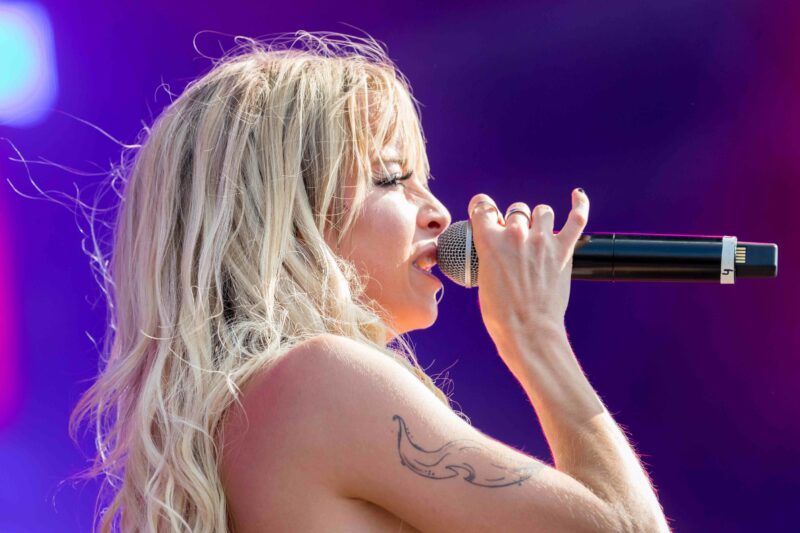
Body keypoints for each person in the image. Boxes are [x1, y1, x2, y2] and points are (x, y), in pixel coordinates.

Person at [69, 32, 670, 532]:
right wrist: (535, 333)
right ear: (285, 220)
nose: (439, 213)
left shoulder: (241, 414)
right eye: (390, 178)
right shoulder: (317, 379)